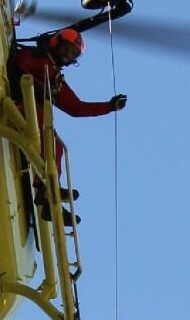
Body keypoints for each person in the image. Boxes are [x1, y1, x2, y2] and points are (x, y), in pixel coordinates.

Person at [8, 28, 127, 225]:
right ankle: (48, 190)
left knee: (57, 147)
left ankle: (49, 195)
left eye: (73, 54)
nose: (68, 55)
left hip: (32, 115)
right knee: (46, 133)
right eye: (67, 49)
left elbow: (76, 108)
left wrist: (109, 106)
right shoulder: (35, 56)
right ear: (56, 43)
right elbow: (17, 67)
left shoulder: (55, 77)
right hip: (18, 105)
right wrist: (39, 87)